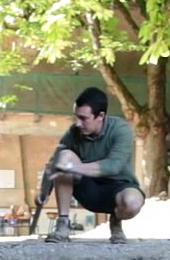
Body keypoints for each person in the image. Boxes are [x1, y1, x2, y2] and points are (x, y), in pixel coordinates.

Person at [42, 87, 144, 244]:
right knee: (65, 156)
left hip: (117, 188)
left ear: (100, 116)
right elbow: (54, 163)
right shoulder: (73, 133)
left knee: (132, 202)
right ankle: (62, 225)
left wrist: (71, 167)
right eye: (76, 117)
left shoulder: (121, 130)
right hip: (87, 188)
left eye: (83, 118)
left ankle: (116, 222)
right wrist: (43, 193)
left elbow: (114, 166)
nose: (78, 123)